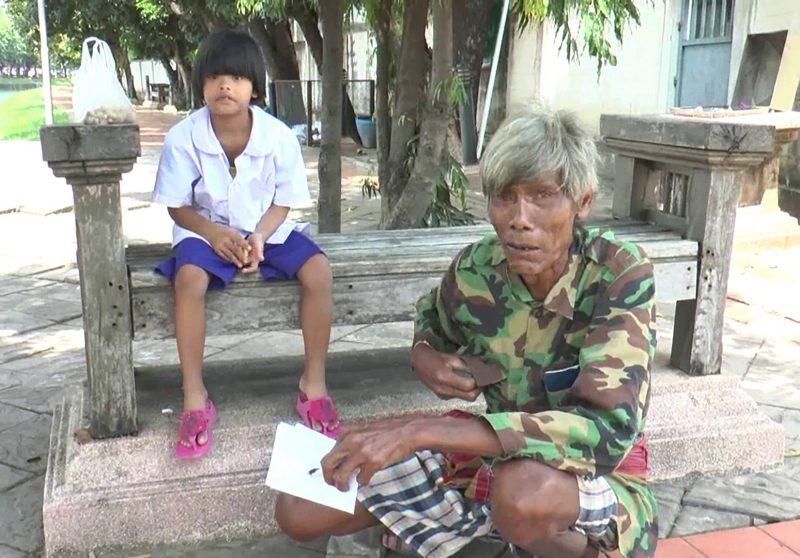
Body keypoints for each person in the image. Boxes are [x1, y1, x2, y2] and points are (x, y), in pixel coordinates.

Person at [274, 107, 658, 558]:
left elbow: (605, 431)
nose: (520, 218)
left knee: (522, 495)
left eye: (541, 197)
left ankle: (569, 547)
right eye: (504, 197)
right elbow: (432, 325)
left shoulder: (617, 273)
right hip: (489, 460)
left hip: (591, 475)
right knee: (300, 507)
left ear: (583, 202)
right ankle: (488, 526)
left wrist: (418, 431)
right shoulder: (475, 270)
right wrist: (424, 356)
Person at [152, 29, 341, 460]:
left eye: (236, 78)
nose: (224, 86)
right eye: (214, 77)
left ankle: (314, 385)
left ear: (255, 86)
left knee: (319, 271)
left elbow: (285, 201)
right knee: (188, 280)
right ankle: (195, 398)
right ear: (200, 83)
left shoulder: (277, 137)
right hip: (203, 232)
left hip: (265, 230)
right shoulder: (183, 138)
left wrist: (258, 234)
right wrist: (215, 234)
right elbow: (176, 207)